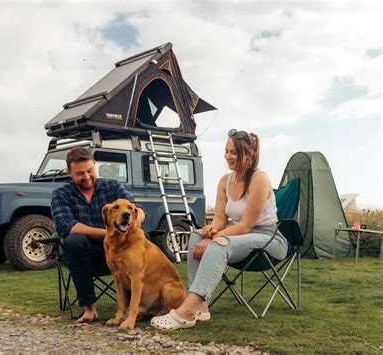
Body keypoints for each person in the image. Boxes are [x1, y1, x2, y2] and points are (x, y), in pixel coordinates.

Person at [150, 129, 288, 330]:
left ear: (250, 155)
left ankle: (186, 310)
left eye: (234, 153)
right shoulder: (225, 181)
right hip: (243, 238)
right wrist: (210, 230)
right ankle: (201, 306)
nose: (228, 157)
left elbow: (246, 225)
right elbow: (220, 218)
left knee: (219, 244)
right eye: (227, 151)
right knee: (196, 235)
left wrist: (214, 238)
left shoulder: (260, 178)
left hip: (269, 239)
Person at [51, 147, 145, 323]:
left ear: (94, 165)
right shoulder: (61, 194)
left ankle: (135, 308)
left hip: (121, 252)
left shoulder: (113, 186)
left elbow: (137, 209)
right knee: (73, 241)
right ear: (69, 173)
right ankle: (89, 308)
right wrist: (109, 233)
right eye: (80, 173)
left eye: (90, 170)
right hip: (88, 255)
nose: (86, 176)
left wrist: (137, 219)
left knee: (138, 244)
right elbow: (67, 226)